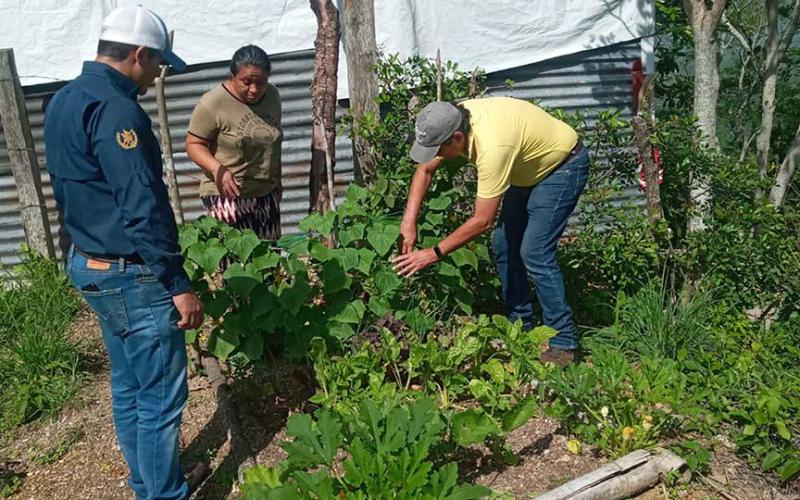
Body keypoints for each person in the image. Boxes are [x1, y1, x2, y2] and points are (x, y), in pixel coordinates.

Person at [43, 5, 203, 499]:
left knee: (131, 386)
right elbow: (142, 205)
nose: (157, 75)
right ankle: (163, 494)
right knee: (160, 397)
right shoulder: (116, 110)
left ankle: (148, 482)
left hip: (90, 262)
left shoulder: (64, 99)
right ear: (138, 54)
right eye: (158, 63)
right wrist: (177, 283)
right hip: (131, 273)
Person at [392, 97, 589, 367]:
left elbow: (482, 220)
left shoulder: (493, 149)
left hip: (561, 166)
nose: (437, 156)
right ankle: (518, 325)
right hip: (525, 168)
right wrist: (408, 221)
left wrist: (433, 253)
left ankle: (564, 342)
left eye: (438, 150)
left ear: (457, 138)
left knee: (535, 252)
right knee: (503, 244)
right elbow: (425, 169)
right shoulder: (450, 118)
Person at [185, 45, 282, 240]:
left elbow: (273, 142)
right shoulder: (213, 102)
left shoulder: (272, 95)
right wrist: (218, 170)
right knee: (232, 256)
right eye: (247, 82)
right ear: (233, 76)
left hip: (265, 194)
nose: (254, 89)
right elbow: (193, 144)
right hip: (226, 197)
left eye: (261, 82)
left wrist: (277, 181)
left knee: (268, 255)